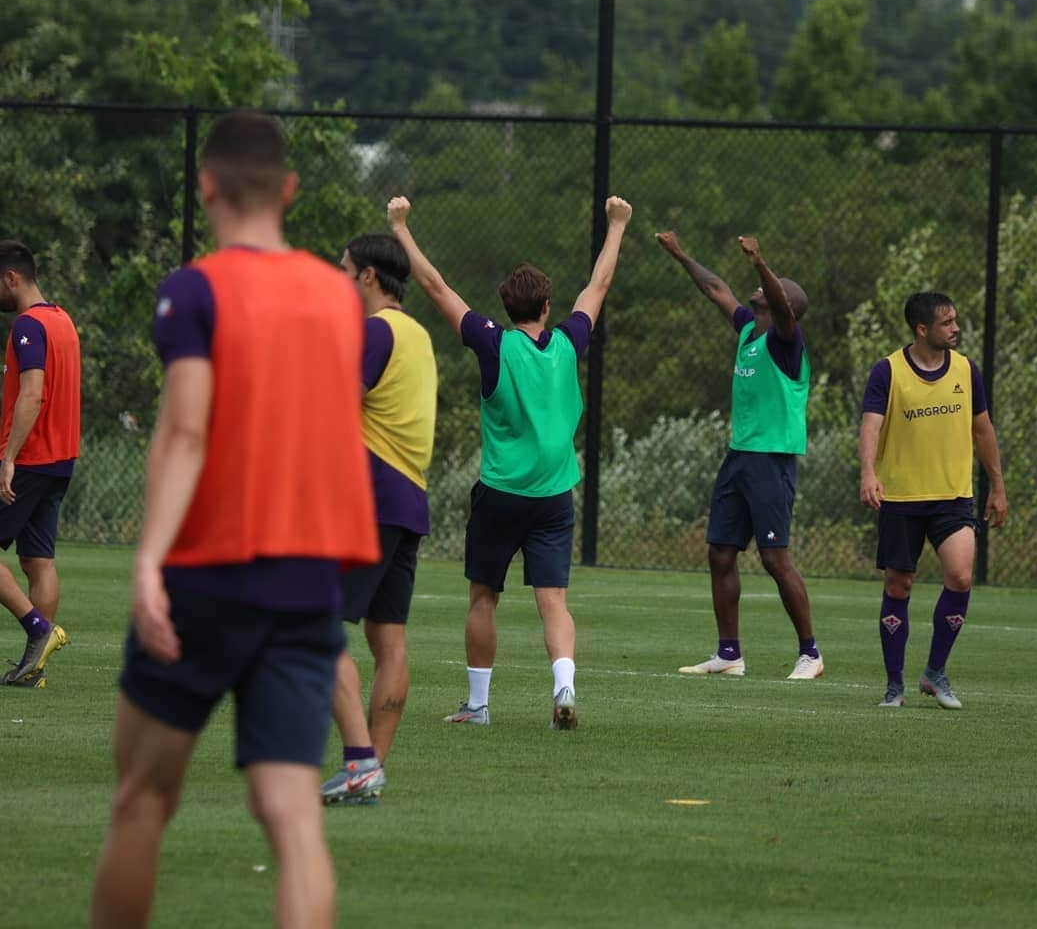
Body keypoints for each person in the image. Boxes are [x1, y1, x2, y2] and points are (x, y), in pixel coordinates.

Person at [90, 112, 379, 929]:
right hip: (307, 577)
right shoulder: (337, 296)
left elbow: (186, 429)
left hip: (208, 570)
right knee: (292, 814)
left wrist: (148, 559)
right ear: (288, 190)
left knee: (143, 799)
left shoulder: (194, 287)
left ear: (206, 185)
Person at [388, 193, 631, 731]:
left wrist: (402, 229)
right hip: (553, 496)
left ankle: (478, 706)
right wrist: (616, 226)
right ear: (547, 308)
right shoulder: (568, 342)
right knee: (554, 600)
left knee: (483, 597)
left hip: (500, 493)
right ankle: (564, 685)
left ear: (506, 307)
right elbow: (599, 286)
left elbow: (435, 288)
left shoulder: (493, 343)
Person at [655, 231, 823, 680]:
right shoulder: (750, 328)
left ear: (781, 301)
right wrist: (681, 253)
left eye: (773, 287)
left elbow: (783, 308)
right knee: (720, 553)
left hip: (772, 459)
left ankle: (811, 653)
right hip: (740, 457)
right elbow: (716, 290)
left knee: (774, 559)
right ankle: (729, 654)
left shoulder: (787, 341)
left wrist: (760, 264)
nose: (762, 290)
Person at [320, 229, 438, 806]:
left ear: (367, 276)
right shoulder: (417, 335)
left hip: (369, 496)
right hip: (410, 500)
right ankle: (371, 770)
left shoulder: (373, 331)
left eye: (345, 271)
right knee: (387, 637)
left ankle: (360, 762)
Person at [859, 291, 1007, 709]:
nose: (956, 328)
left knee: (961, 576)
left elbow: (982, 429)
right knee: (899, 585)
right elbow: (871, 426)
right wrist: (869, 473)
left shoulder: (966, 370)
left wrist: (997, 485)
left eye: (955, 321)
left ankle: (935, 673)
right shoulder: (887, 371)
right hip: (902, 497)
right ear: (922, 329)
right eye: (947, 323)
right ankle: (894, 686)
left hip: (953, 496)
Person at [0, 240, 80, 688]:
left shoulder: (28, 327)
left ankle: (39, 630)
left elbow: (33, 393)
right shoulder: (62, 320)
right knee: (38, 561)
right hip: (60, 459)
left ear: (12, 278)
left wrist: (8, 458)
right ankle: (36, 669)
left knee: (37, 562)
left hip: (30, 458)